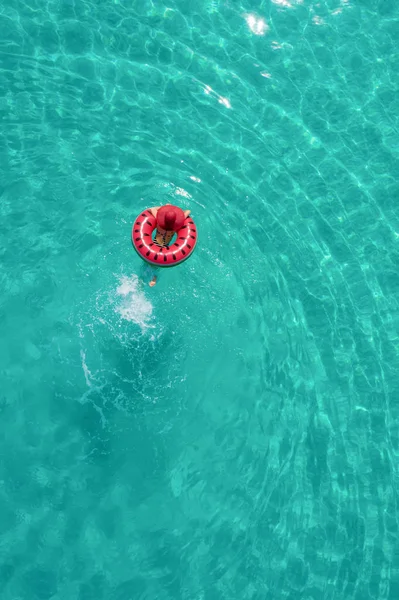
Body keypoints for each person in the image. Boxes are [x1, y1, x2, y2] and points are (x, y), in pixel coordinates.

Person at [147, 204, 191, 286]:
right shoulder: (176, 227)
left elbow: (151, 208)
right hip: (165, 248)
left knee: (147, 262)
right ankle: (154, 278)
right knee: (157, 265)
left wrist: (161, 209)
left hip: (153, 245)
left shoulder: (158, 221)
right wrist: (178, 214)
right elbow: (188, 211)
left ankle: (143, 281)